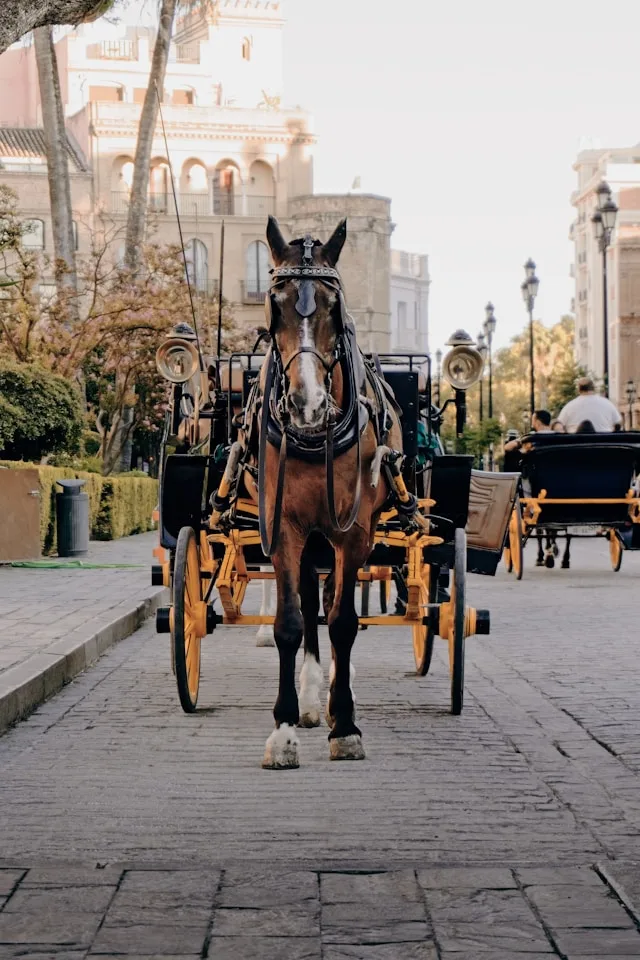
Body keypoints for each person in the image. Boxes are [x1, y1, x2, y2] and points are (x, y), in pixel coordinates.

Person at [556, 377, 622, 433]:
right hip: (603, 442)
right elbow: (618, 423)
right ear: (593, 388)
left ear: (579, 389)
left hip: (576, 443)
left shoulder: (569, 406)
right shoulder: (608, 404)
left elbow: (559, 425)